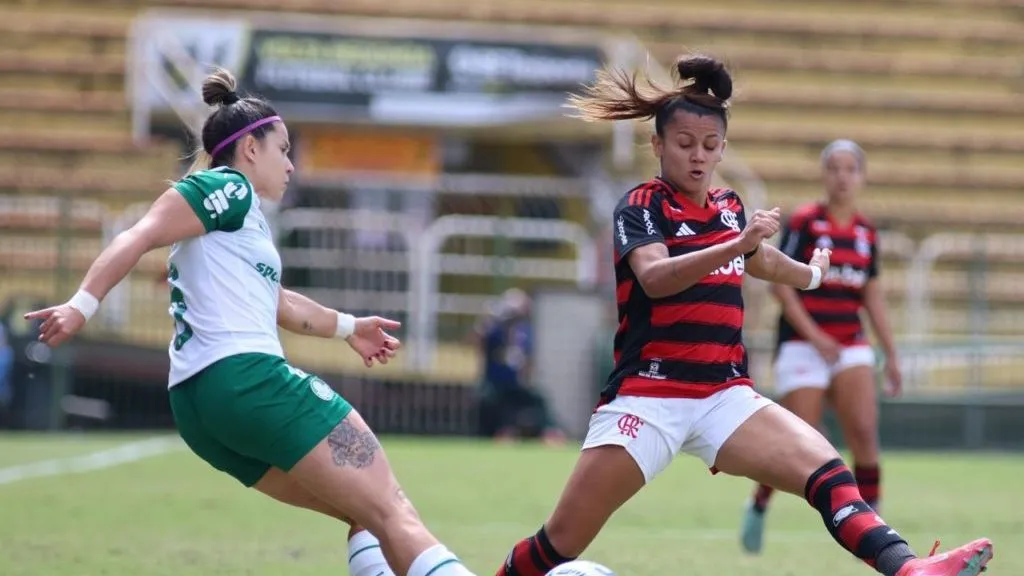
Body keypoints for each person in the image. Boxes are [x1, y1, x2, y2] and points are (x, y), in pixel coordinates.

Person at [493, 55, 992, 576]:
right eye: (684, 144)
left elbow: (761, 260)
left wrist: (811, 274)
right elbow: (655, 277)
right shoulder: (641, 206)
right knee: (560, 542)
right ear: (657, 145)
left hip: (723, 395)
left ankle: (908, 568)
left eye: (710, 145)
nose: (698, 156)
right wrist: (736, 243)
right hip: (650, 396)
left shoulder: (728, 206)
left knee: (827, 471)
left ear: (723, 148)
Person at [25, 68, 475, 576]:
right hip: (247, 381)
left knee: (367, 515)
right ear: (251, 148)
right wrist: (81, 304)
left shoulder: (241, 221)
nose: (291, 164)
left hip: (199, 409)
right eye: (283, 149)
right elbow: (138, 234)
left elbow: (281, 303)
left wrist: (350, 328)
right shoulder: (230, 187)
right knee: (392, 508)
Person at [739, 139, 903, 554]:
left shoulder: (866, 232)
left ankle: (874, 532)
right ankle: (759, 504)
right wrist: (815, 337)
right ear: (824, 174)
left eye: (850, 169)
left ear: (862, 177)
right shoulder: (806, 223)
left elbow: (872, 295)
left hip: (849, 344)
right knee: (800, 440)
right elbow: (780, 285)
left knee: (863, 431)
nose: (842, 177)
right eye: (834, 168)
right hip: (802, 343)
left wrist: (891, 353)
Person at [474, 288, 565, 444]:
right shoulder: (494, 331)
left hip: (516, 384)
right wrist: (485, 321)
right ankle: (502, 431)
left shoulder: (524, 333)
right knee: (492, 400)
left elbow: (527, 359)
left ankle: (549, 431)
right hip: (495, 384)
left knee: (537, 399)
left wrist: (527, 375)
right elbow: (477, 342)